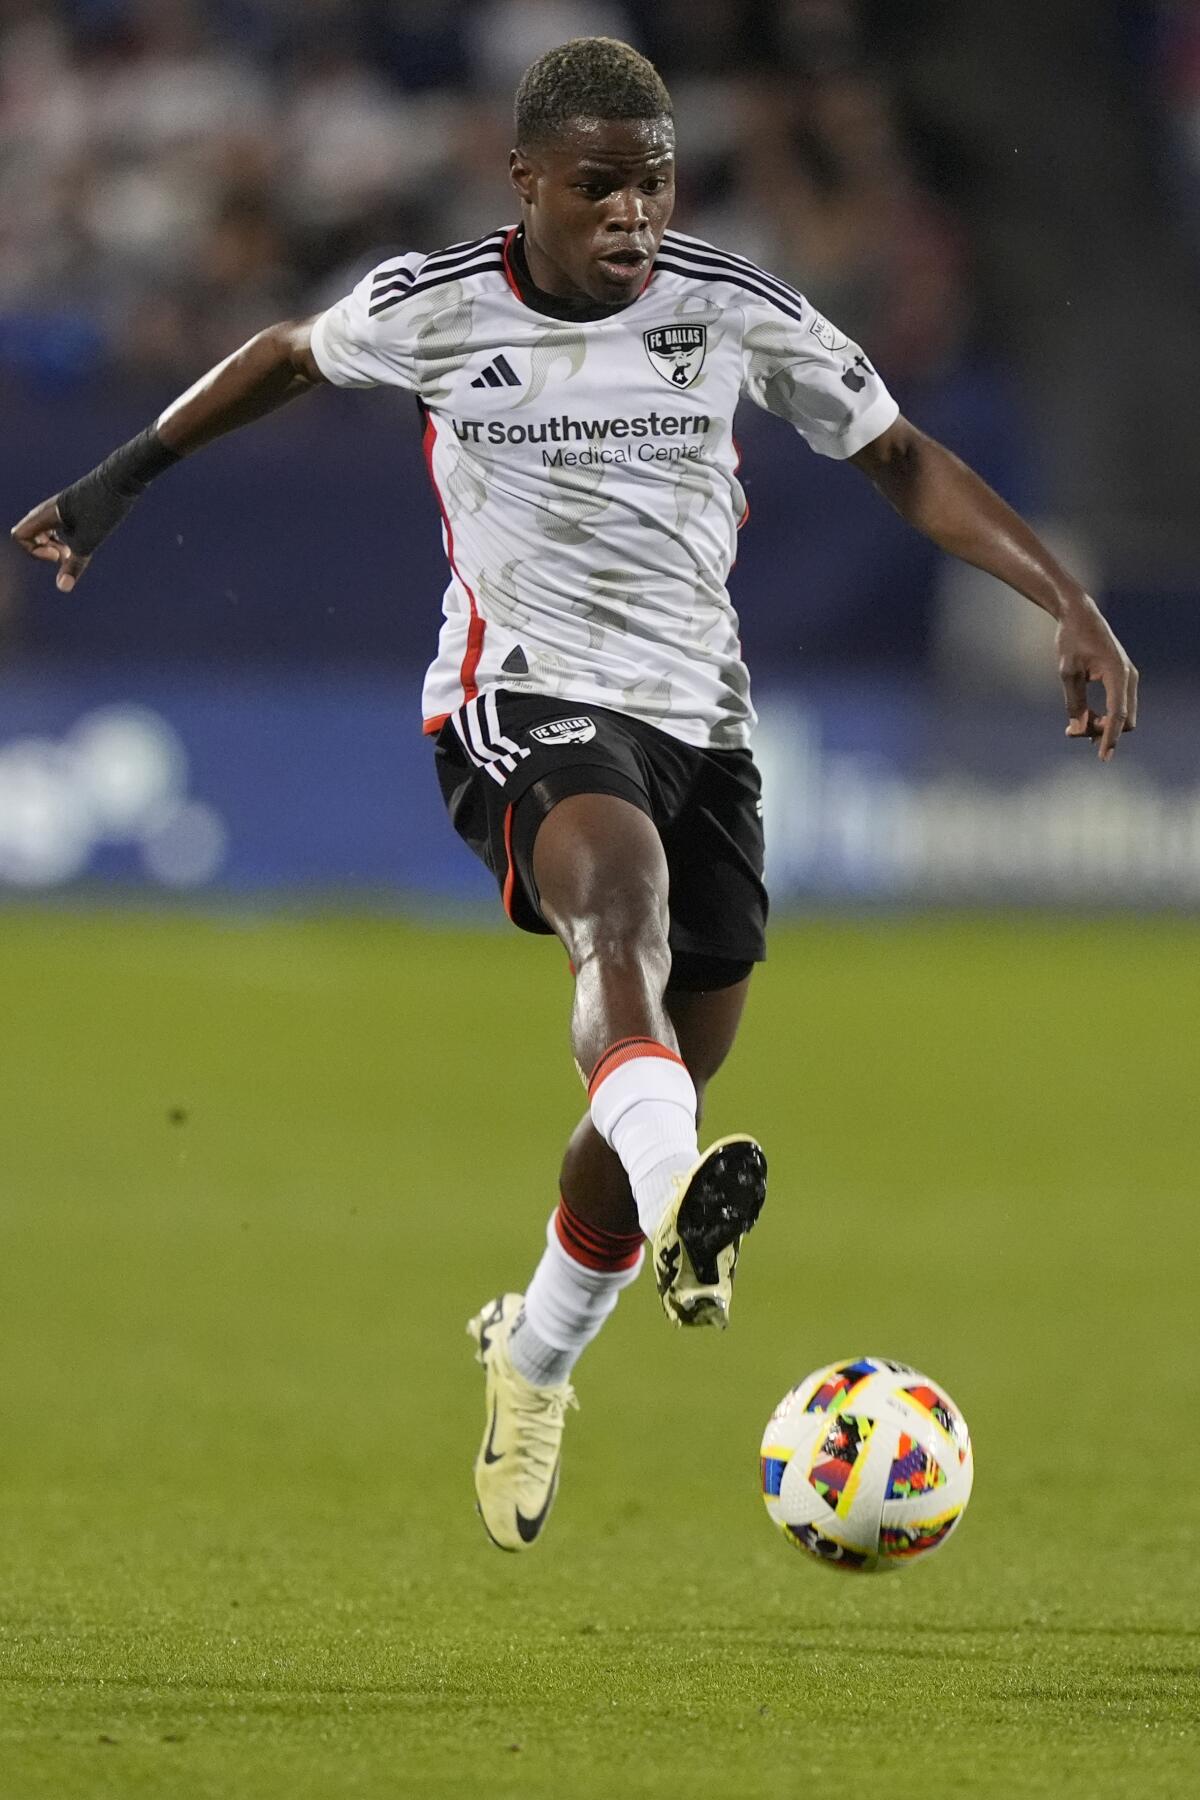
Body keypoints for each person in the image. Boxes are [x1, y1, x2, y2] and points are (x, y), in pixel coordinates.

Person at [11, 37, 1138, 1554]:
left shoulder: (734, 308)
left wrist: (1065, 596)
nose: (632, 215)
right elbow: (283, 352)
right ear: (525, 182)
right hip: (516, 696)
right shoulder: (434, 306)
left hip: (705, 726)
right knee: (623, 913)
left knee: (672, 1052)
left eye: (654, 185)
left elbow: (903, 457)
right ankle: (685, 1201)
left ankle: (536, 1350)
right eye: (599, 186)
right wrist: (117, 481)